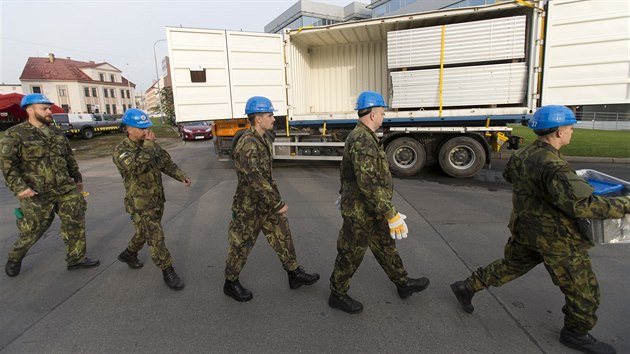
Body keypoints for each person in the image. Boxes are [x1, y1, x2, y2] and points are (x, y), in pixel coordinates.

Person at [450, 105, 630, 354]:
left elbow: (510, 177)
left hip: (527, 230)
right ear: (557, 132)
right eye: (569, 128)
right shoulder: (554, 167)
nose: (571, 133)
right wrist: (626, 204)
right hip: (556, 240)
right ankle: (575, 334)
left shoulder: (524, 155)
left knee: (510, 266)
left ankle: (468, 286)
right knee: (584, 291)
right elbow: (583, 205)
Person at [328, 91, 430, 314]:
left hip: (371, 209)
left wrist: (344, 192)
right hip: (360, 212)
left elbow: (351, 174)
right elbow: (369, 184)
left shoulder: (366, 136)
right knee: (351, 252)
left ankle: (402, 283)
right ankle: (337, 293)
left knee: (386, 247)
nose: (384, 117)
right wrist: (391, 213)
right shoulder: (362, 140)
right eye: (382, 113)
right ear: (373, 114)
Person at [223, 96, 320, 302]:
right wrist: (277, 203)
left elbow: (265, 176)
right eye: (270, 115)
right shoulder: (248, 145)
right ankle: (230, 282)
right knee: (241, 245)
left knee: (282, 234)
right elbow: (255, 179)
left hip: (266, 203)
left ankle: (293, 274)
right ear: (258, 119)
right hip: (249, 207)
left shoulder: (262, 139)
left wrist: (274, 201)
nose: (273, 119)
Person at [1, 93, 100, 277]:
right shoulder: (15, 135)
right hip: (36, 192)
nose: (49, 112)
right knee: (34, 230)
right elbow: (8, 165)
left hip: (64, 188)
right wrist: (20, 188)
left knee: (75, 221)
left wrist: (77, 179)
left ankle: (76, 259)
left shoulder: (56, 133)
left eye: (49, 108)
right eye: (44, 108)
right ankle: (15, 257)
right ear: (29, 110)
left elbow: (68, 158)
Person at [112, 108, 191, 290]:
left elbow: (165, 163)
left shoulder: (151, 145)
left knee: (143, 233)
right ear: (128, 129)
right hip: (139, 203)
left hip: (157, 200)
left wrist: (180, 175)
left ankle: (129, 253)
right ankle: (167, 270)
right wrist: (148, 145)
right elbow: (135, 168)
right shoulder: (121, 151)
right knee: (156, 236)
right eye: (141, 128)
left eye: (147, 127)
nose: (146, 131)